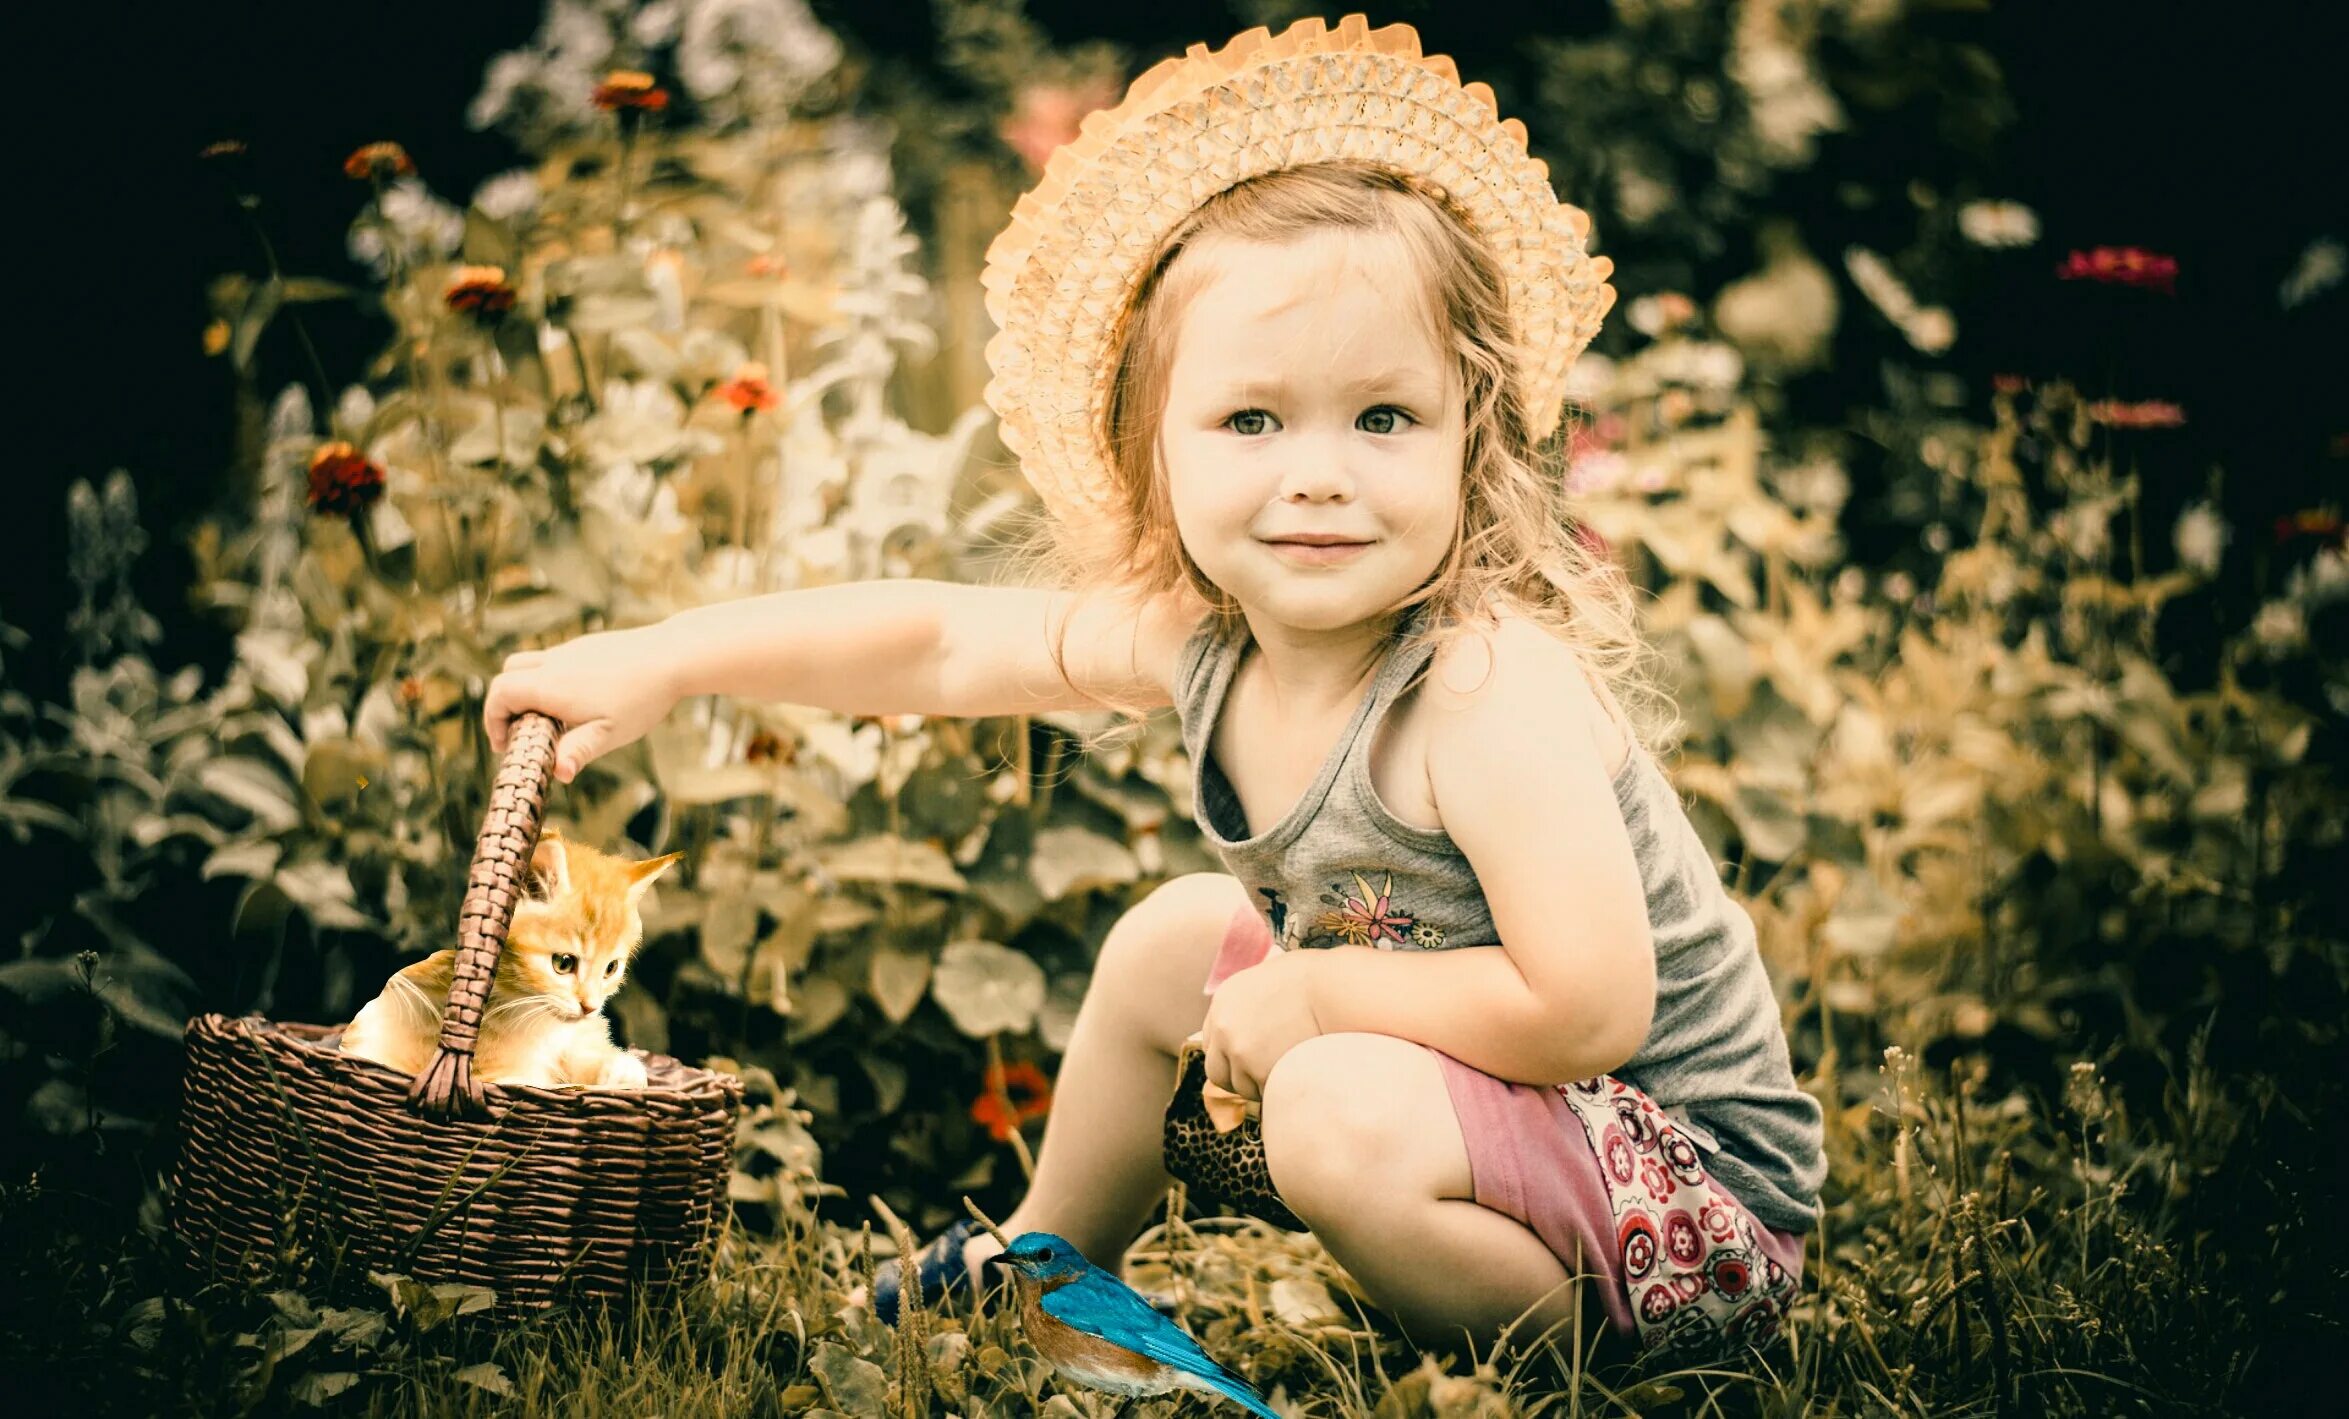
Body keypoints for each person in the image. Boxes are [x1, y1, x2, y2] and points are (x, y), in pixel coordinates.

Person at [481, 14, 1824, 1366]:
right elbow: (937, 647)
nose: (1317, 473)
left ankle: (1569, 1369)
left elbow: (1590, 1011)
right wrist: (659, 657)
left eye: (1382, 418)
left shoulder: (1476, 691)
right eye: (1251, 420)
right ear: (1155, 446)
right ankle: (1054, 1280)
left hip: (1689, 1211)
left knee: (1330, 1104)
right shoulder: (1207, 635)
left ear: (1469, 441)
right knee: (1172, 942)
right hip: (1514, 1121)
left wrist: (1315, 1000)